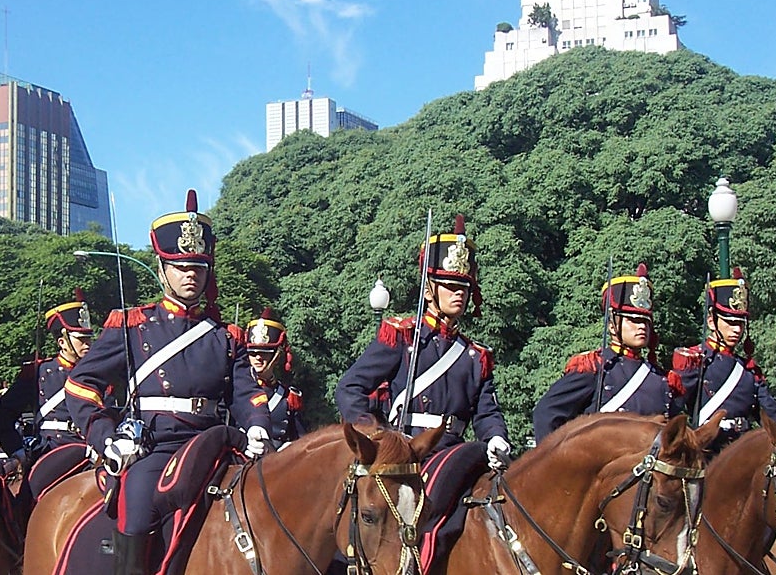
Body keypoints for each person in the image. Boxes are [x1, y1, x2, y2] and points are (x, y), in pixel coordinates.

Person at [65, 190, 270, 575]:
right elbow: (80, 384)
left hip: (218, 443)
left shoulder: (226, 336)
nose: (190, 274)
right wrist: (106, 436)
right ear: (162, 270)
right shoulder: (132, 325)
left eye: (198, 266)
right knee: (137, 506)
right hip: (157, 447)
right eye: (180, 266)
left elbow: (247, 395)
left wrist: (258, 426)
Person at [334, 215, 510, 572]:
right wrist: (374, 436)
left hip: (460, 452)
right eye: (449, 284)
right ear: (430, 288)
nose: (459, 292)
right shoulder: (401, 336)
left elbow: (486, 411)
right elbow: (350, 387)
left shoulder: (476, 356)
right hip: (408, 454)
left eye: (464, 285)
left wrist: (496, 438)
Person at [533, 263, 684, 442]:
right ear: (612, 326)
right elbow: (547, 412)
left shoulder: (662, 379)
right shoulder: (594, 368)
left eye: (645, 321)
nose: (642, 326)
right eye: (633, 320)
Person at [674, 268, 776, 452]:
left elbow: (774, 414)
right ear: (711, 321)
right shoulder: (695, 360)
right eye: (730, 322)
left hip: (742, 450)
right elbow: (673, 410)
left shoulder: (747, 371)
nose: (737, 330)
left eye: (740, 323)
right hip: (707, 451)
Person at [0, 289, 101, 493]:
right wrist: (17, 450)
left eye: (88, 338)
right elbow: (4, 414)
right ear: (62, 342)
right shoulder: (38, 373)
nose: (87, 344)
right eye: (81, 339)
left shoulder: (98, 373)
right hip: (52, 451)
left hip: (93, 450)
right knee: (28, 497)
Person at [243, 308, 306, 447]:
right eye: (253, 353)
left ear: (276, 355)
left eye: (264, 353)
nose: (258, 357)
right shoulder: (235, 390)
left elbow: (301, 441)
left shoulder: (288, 396)